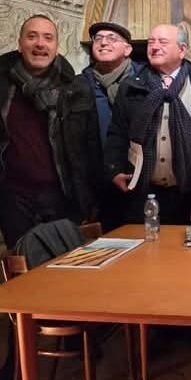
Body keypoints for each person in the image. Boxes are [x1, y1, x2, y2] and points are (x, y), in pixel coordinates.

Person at [0, 14, 102, 380]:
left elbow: (88, 148)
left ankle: (74, 336)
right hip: (15, 198)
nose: (40, 44)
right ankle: (17, 355)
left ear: (57, 44)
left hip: (64, 195)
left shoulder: (76, 88)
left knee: (73, 272)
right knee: (21, 280)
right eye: (33, 37)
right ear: (20, 41)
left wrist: (90, 199)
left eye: (48, 38)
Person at [104, 22, 191, 351]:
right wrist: (114, 169)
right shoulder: (133, 86)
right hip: (147, 193)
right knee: (153, 267)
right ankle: (159, 330)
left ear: (182, 50)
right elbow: (116, 133)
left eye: (163, 41)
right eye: (152, 41)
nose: (154, 46)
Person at [81, 21, 147, 230]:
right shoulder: (80, 84)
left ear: (127, 49)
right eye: (98, 39)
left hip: (140, 180)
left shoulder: (145, 81)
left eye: (111, 38)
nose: (103, 43)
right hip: (98, 181)